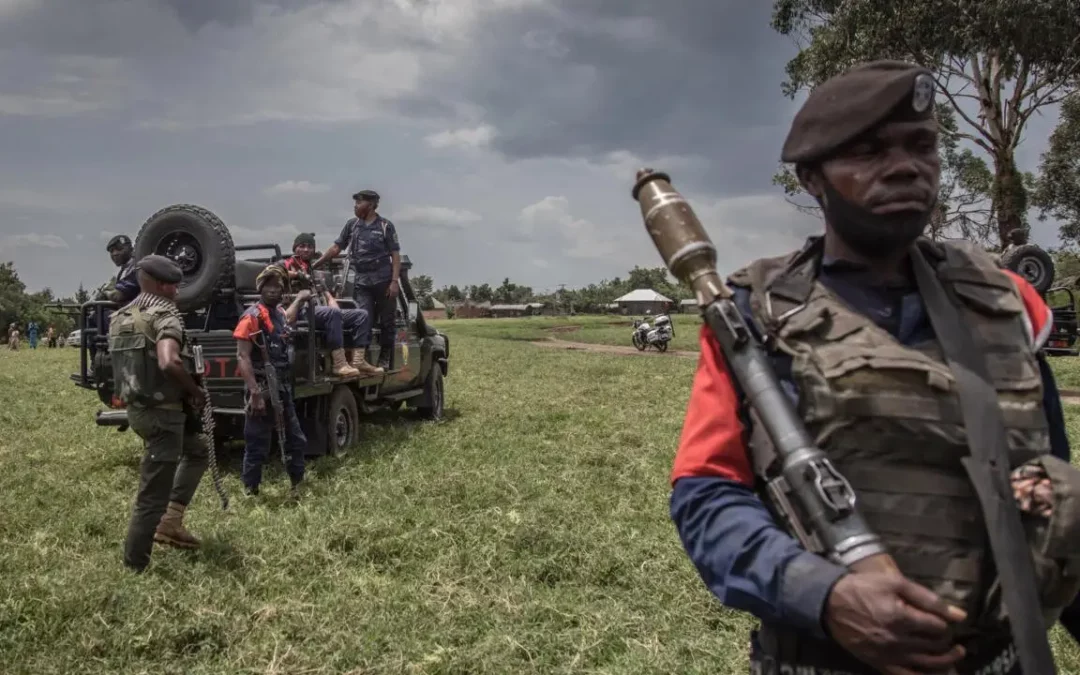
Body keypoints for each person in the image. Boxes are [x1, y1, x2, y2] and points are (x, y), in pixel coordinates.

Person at [668, 60, 1080, 675]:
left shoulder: (1007, 303)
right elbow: (707, 495)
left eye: (922, 146)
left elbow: (1049, 484)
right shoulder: (754, 316)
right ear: (812, 178)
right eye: (868, 151)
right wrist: (823, 596)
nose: (905, 166)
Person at [107, 255, 209, 572]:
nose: (178, 292)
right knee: (152, 494)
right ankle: (135, 566)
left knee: (198, 450)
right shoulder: (165, 315)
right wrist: (195, 392)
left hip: (138, 410)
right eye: (175, 286)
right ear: (163, 285)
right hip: (163, 416)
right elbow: (168, 362)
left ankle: (172, 521)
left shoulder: (120, 315)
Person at [233, 265, 310, 499]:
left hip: (283, 387)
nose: (273, 290)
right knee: (257, 443)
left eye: (278, 286)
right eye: (269, 285)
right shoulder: (251, 317)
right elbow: (242, 356)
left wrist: (300, 299)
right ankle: (251, 491)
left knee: (295, 439)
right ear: (260, 288)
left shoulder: (277, 313)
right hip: (262, 388)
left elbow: (288, 319)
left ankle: (297, 484)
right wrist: (255, 393)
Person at [311, 189, 400, 372]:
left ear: (371, 205)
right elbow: (337, 247)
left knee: (387, 322)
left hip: (383, 280)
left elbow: (395, 255)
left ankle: (385, 357)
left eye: (359, 203)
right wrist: (316, 264)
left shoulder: (385, 226)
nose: (355, 206)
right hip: (362, 282)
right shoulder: (352, 225)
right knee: (363, 318)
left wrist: (394, 281)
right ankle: (361, 359)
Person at [279, 233, 371, 377]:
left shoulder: (313, 271)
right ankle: (339, 364)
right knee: (331, 313)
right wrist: (297, 275)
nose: (306, 250)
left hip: (318, 311)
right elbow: (275, 272)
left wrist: (334, 306)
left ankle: (358, 361)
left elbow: (328, 296)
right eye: (302, 246)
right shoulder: (287, 263)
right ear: (295, 248)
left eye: (309, 247)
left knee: (361, 315)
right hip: (301, 311)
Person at [99, 235, 140, 304]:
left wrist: (104, 293)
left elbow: (117, 296)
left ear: (131, 249)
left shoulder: (138, 267)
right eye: (111, 251)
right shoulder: (123, 271)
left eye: (119, 249)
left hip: (138, 311)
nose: (115, 253)